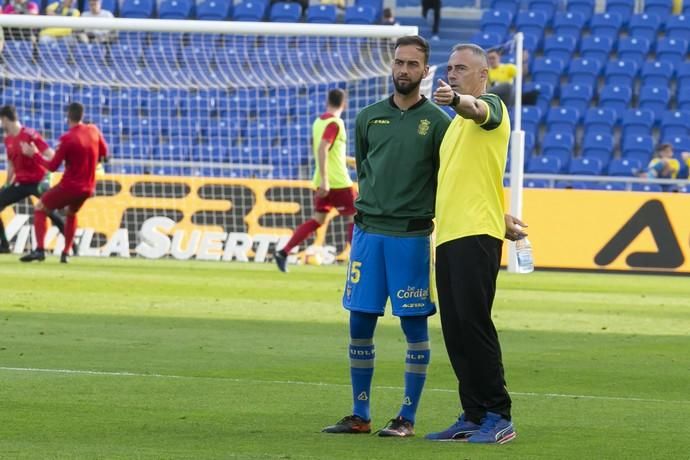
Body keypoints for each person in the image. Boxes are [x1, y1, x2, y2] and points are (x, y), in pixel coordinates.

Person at [321, 36, 451, 438]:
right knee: (359, 322)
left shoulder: (439, 123)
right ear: (391, 66)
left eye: (413, 64)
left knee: (414, 327)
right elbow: (366, 167)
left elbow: (447, 179)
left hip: (409, 237)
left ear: (425, 72)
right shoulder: (368, 117)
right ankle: (360, 414)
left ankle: (406, 418)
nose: (404, 70)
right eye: (399, 62)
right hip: (368, 234)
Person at [426, 43, 527, 444]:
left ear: (482, 75)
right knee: (455, 328)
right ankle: (472, 413)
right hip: (450, 235)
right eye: (450, 68)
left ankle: (499, 415)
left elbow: (476, 110)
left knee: (474, 323)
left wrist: (459, 100)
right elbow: (471, 177)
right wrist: (498, 214)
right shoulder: (453, 128)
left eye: (462, 68)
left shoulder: (491, 108)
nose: (453, 73)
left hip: (474, 236)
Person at [273, 89, 356, 272]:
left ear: (327, 101)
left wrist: (348, 161)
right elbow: (322, 149)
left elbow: (330, 152)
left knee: (317, 220)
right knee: (357, 216)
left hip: (320, 180)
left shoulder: (319, 122)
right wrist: (327, 180)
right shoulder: (336, 123)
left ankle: (283, 252)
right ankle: (360, 262)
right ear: (344, 104)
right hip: (337, 182)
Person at [19, 102, 108, 264]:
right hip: (88, 188)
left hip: (70, 186)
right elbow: (105, 154)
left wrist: (34, 154)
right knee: (71, 213)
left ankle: (40, 250)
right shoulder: (94, 130)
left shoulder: (67, 138)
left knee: (40, 207)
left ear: (68, 116)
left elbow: (52, 167)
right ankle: (66, 253)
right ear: (82, 115)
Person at [0, 105, 70, 254]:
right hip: (21, 182)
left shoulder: (30, 134)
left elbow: (51, 155)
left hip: (39, 180)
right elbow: (11, 164)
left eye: (1, 120)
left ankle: (71, 245)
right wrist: (6, 184)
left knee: (50, 211)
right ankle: (4, 245)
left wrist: (35, 153)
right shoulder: (7, 140)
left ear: (5, 119)